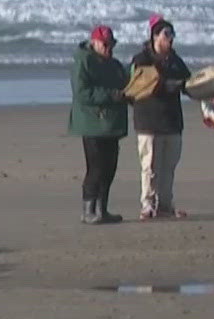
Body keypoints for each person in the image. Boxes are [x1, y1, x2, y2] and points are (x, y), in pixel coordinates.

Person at [130, 15, 192, 219]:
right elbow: (149, 84)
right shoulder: (141, 59)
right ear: (155, 36)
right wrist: (173, 85)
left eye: (172, 34)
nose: (171, 38)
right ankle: (147, 205)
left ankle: (165, 205)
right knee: (149, 166)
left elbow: (189, 82)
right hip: (148, 121)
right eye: (166, 34)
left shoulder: (176, 60)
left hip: (172, 121)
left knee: (169, 167)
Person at [68, 25, 129, 224]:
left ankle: (102, 209)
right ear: (93, 43)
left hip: (112, 124)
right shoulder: (83, 62)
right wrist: (112, 95)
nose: (109, 48)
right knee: (95, 168)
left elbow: (125, 83)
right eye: (105, 44)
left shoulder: (115, 65)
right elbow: (82, 92)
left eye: (112, 44)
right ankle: (87, 210)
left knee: (110, 167)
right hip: (92, 123)